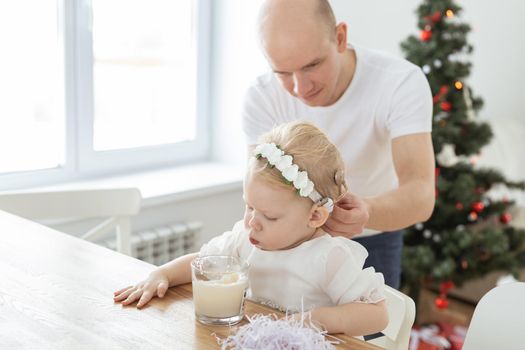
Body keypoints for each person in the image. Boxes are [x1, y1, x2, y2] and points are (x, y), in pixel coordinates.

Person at [114, 121, 388, 337]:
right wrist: (161, 273)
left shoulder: (329, 257)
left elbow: (377, 315)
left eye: (269, 216)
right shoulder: (247, 240)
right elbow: (201, 263)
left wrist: (319, 320)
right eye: (249, 207)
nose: (251, 222)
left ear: (315, 216)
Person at [242, 0, 435, 289]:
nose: (300, 88)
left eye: (312, 65)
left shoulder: (399, 83)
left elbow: (421, 193)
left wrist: (367, 211)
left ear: (340, 38)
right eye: (282, 72)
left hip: (373, 238)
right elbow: (259, 187)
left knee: (373, 331)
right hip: (289, 242)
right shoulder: (261, 97)